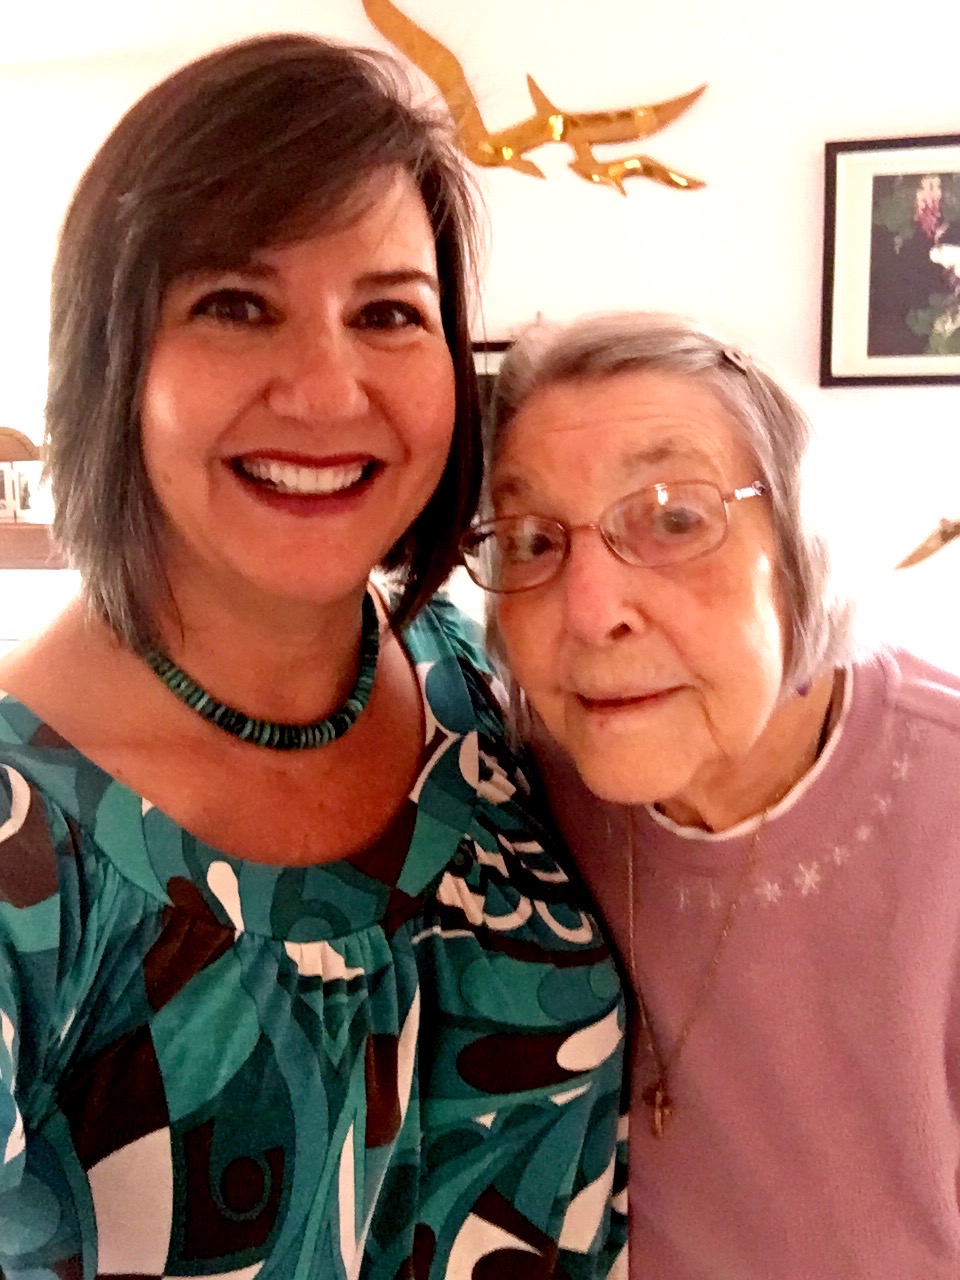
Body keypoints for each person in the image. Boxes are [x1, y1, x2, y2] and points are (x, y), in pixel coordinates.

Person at [0, 39, 628, 1278]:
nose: (331, 391)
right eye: (236, 304)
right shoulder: (27, 837)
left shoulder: (488, 688)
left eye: (389, 313)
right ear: (111, 357)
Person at [461, 310, 960, 1279]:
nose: (591, 611)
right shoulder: (510, 791)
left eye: (674, 518)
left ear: (801, 547)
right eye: (529, 538)